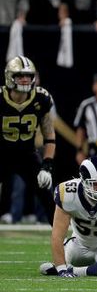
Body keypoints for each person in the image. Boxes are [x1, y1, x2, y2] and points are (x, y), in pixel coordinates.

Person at [0, 56, 56, 224]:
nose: (25, 79)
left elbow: (49, 135)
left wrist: (47, 165)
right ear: (9, 77)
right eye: (19, 76)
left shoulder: (41, 98)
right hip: (1, 153)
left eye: (28, 76)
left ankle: (65, 241)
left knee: (48, 195)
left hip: (26, 154)